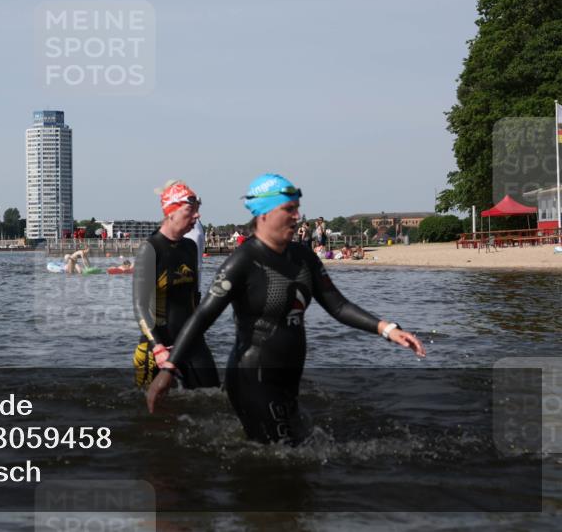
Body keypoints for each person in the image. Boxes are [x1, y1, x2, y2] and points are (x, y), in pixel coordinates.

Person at [146, 174, 426, 444]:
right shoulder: (242, 262)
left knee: (294, 450)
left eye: (297, 209)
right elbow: (203, 317)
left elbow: (338, 305)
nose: (296, 216)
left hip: (288, 377)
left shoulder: (303, 257)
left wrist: (387, 330)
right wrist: (168, 368)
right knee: (283, 456)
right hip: (251, 377)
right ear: (264, 214)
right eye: (288, 209)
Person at [133, 180, 219, 389]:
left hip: (191, 342)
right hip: (158, 347)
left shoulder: (190, 247)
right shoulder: (151, 249)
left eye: (197, 211)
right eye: (190, 210)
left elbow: (194, 297)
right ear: (171, 212)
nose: (197, 216)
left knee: (215, 397)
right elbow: (140, 306)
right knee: (155, 417)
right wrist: (158, 348)